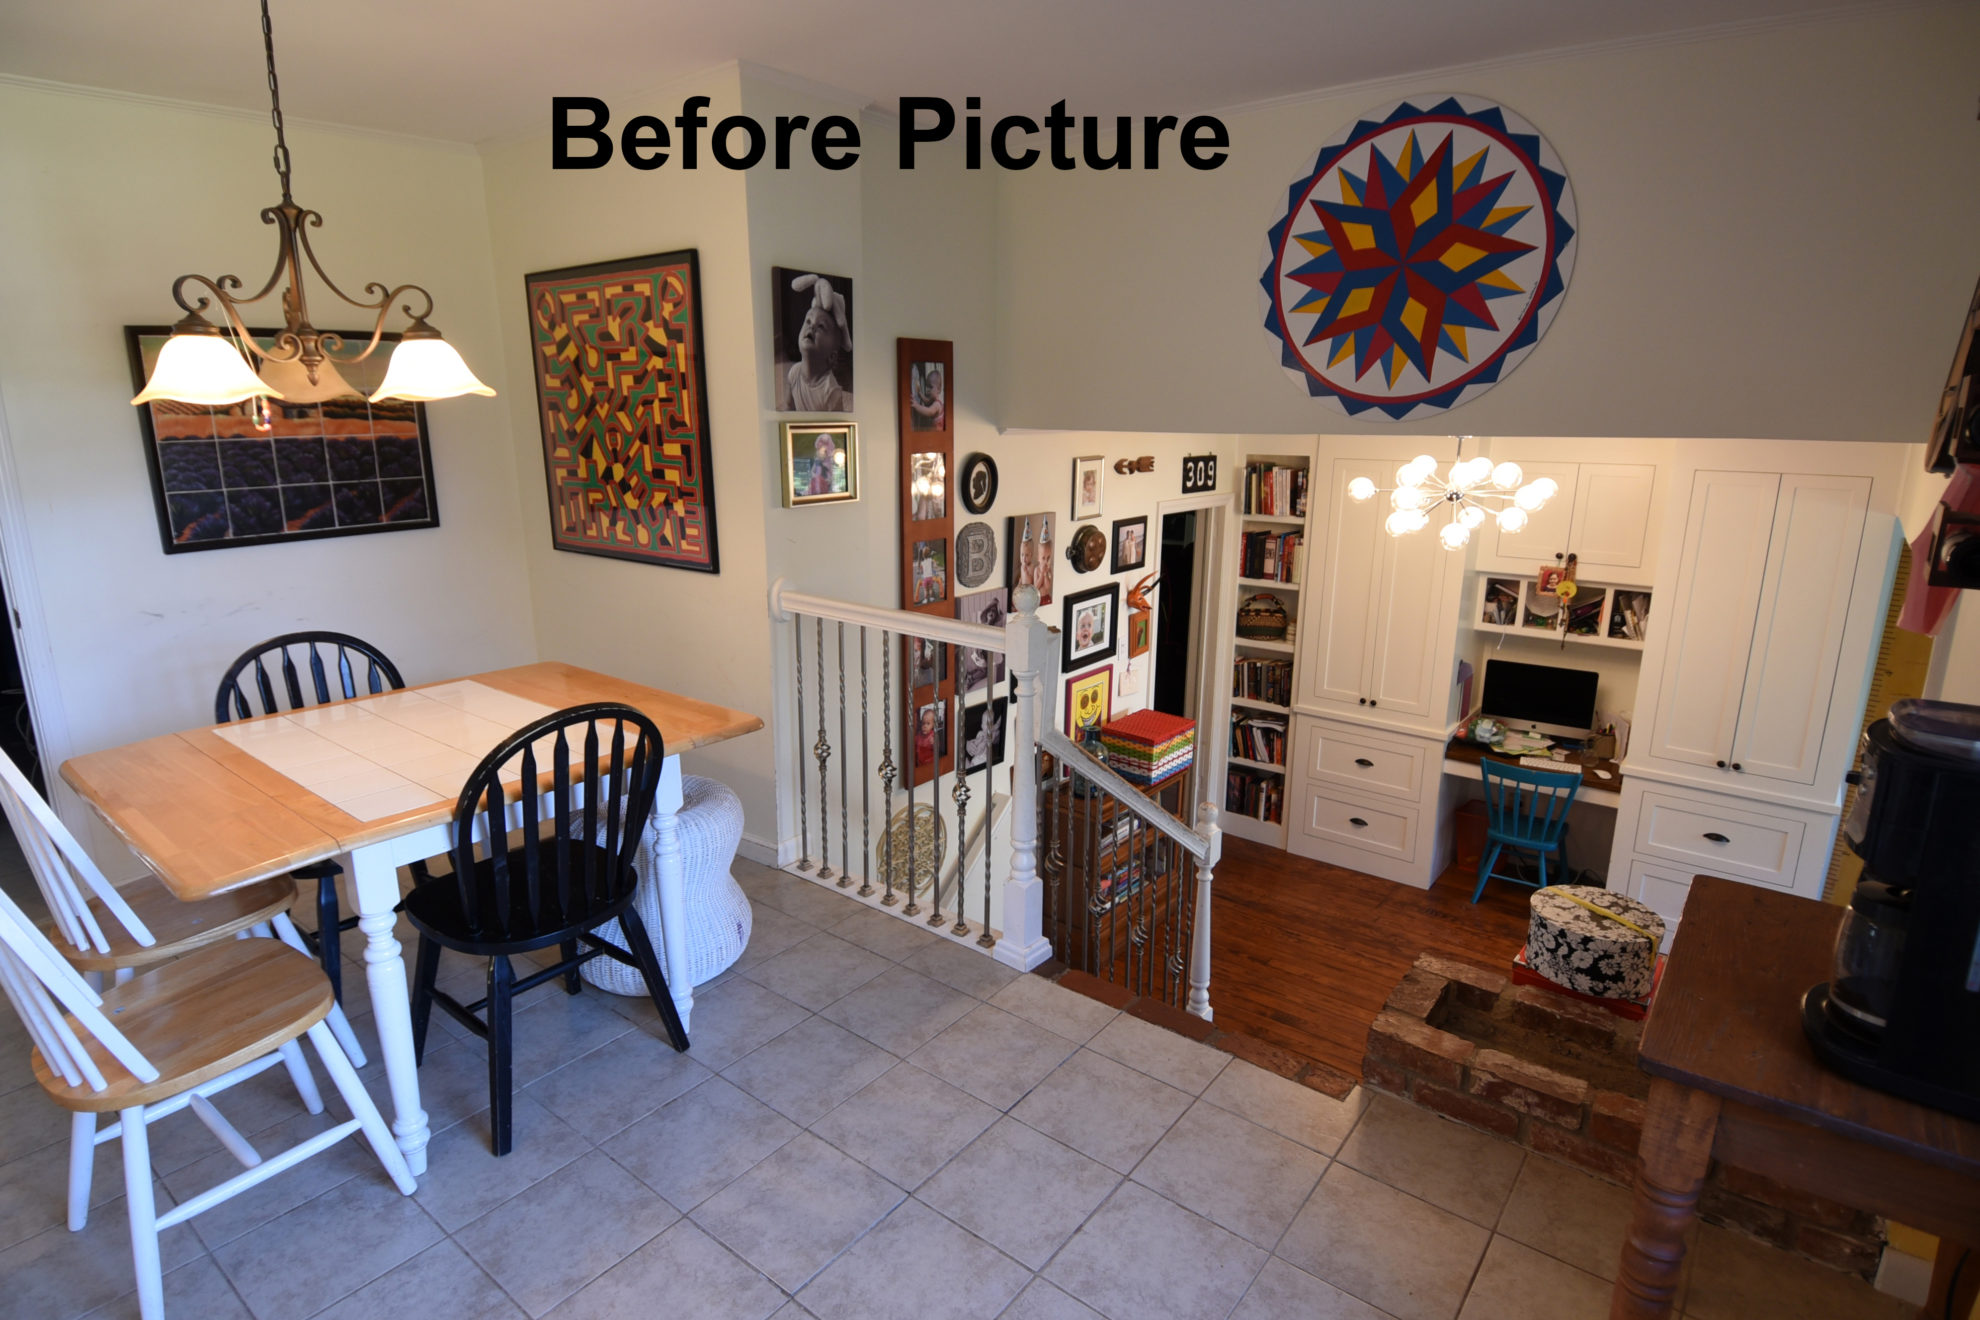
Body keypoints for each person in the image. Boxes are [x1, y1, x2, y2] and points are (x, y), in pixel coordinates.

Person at [778, 273, 852, 411]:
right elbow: (788, 407)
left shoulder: (831, 392)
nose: (812, 327)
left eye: (821, 326)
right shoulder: (794, 373)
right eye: (808, 321)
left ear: (832, 356)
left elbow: (837, 425)